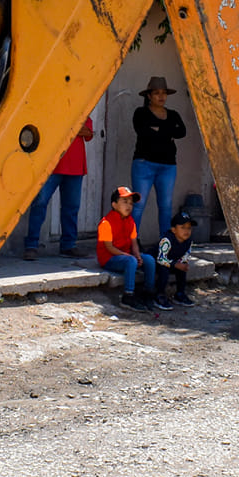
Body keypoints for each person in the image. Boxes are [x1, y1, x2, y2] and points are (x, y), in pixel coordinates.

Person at [25, 118, 93, 259]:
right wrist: (74, 128)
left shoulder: (83, 109)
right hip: (50, 165)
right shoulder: (57, 109)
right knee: (40, 203)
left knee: (71, 208)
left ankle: (68, 246)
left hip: (75, 166)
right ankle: (31, 245)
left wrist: (68, 126)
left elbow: (88, 133)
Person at [130, 75, 186, 246]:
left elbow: (182, 132)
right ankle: (131, 242)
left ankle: (165, 243)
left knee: (166, 206)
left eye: (164, 93)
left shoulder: (173, 114)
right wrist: (167, 132)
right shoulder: (141, 113)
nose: (161, 97)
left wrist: (158, 130)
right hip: (144, 164)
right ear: (149, 95)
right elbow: (143, 132)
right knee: (138, 205)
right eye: (156, 93)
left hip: (168, 166)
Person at [96, 186, 157, 311]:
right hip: (109, 258)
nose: (129, 206)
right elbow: (109, 247)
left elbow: (134, 242)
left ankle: (148, 293)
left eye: (131, 203)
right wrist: (129, 256)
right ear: (114, 204)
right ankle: (128, 296)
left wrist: (137, 255)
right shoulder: (105, 223)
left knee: (149, 260)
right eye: (124, 202)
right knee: (131, 261)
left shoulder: (131, 221)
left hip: (126, 255)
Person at [154, 210, 198, 308]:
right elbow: (160, 259)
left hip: (172, 262)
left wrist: (183, 264)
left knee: (182, 269)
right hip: (157, 262)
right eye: (182, 227)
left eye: (189, 228)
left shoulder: (188, 241)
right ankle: (159, 295)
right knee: (164, 269)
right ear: (174, 230)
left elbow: (185, 255)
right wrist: (175, 264)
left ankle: (180, 294)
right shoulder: (167, 240)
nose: (186, 231)